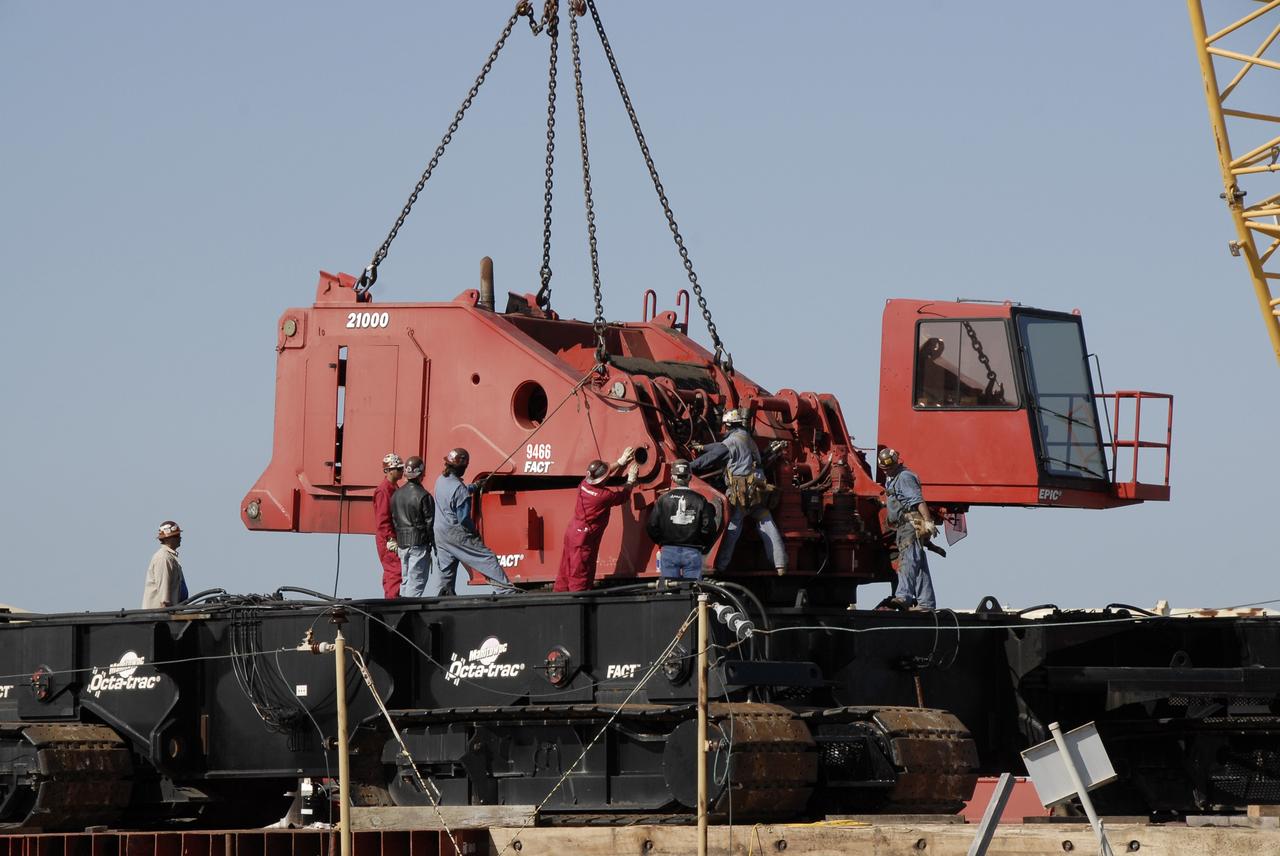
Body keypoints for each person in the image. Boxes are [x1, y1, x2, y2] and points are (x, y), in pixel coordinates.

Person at [690, 409, 787, 575]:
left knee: (733, 527)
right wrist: (702, 447)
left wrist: (688, 466)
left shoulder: (732, 442)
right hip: (758, 491)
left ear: (727, 426)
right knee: (767, 523)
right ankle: (780, 564)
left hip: (742, 494)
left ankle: (721, 565)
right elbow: (721, 446)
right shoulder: (746, 437)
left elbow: (712, 458)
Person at [431, 448, 518, 596]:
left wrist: (475, 486)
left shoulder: (441, 480)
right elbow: (464, 519)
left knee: (446, 570)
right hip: (456, 533)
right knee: (486, 558)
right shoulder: (459, 489)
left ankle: (443, 597)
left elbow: (456, 493)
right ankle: (506, 592)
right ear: (462, 467)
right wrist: (474, 534)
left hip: (440, 533)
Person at [553, 447, 640, 592]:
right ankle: (578, 601)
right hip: (584, 538)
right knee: (580, 571)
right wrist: (630, 480)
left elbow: (603, 475)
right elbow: (623, 497)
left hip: (573, 531)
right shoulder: (603, 496)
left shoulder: (584, 484)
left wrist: (620, 462)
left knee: (566, 567)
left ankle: (559, 596)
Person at [879, 447, 937, 610]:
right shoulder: (892, 477)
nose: (887, 471)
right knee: (918, 563)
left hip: (909, 524)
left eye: (889, 468)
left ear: (897, 463)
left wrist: (927, 521)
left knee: (908, 559)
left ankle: (903, 596)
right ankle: (926, 602)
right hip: (903, 525)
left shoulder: (904, 476)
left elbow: (917, 500)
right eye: (885, 468)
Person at [646, 459, 718, 581]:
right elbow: (709, 527)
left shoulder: (663, 499)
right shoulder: (700, 500)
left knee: (670, 588)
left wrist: (661, 541)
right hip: (693, 551)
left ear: (673, 478)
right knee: (693, 589)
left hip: (668, 550)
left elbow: (652, 526)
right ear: (690, 477)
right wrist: (700, 543)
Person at [391, 456, 435, 597]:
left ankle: (401, 609)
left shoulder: (396, 495)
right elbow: (430, 523)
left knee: (405, 581)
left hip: (402, 544)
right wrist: (434, 544)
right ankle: (408, 614)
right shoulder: (424, 496)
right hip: (419, 544)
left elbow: (394, 519)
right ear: (421, 474)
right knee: (416, 583)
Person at [374, 452, 405, 598]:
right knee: (395, 570)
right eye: (398, 468)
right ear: (389, 470)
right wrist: (390, 539)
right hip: (388, 539)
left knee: (393, 570)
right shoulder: (384, 490)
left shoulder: (393, 488)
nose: (401, 471)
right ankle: (392, 601)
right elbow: (383, 519)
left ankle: (391, 598)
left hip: (392, 536)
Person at [142, 521, 188, 608]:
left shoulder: (170, 557)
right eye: (176, 535)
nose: (180, 538)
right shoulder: (163, 558)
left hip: (170, 612)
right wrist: (166, 612)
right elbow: (164, 597)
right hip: (160, 616)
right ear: (168, 538)